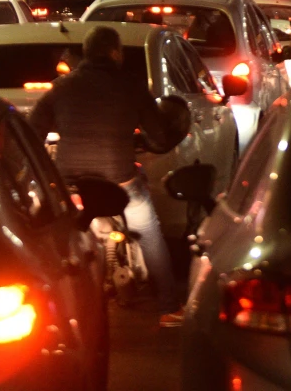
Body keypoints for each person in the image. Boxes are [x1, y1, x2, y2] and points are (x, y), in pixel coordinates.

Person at [29, 26, 184, 327]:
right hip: (119, 180)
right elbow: (158, 134)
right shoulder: (132, 86)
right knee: (148, 229)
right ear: (114, 53)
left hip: (69, 180)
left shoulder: (61, 87)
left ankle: (47, 306)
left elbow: (33, 130)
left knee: (54, 235)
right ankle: (169, 306)